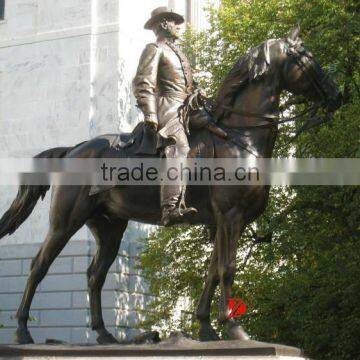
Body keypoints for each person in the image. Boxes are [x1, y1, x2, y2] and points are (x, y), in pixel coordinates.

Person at [133, 6, 227, 226]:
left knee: (218, 132)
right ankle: (170, 208)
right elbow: (143, 83)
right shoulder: (154, 48)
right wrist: (150, 114)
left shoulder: (178, 52)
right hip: (168, 109)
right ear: (163, 24)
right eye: (174, 22)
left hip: (187, 108)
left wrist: (197, 93)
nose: (178, 26)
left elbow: (185, 86)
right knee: (179, 147)